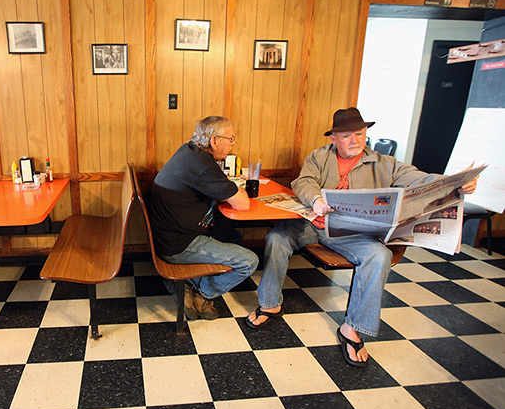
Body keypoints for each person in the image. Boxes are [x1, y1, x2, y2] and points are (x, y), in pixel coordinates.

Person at [246, 107, 478, 367]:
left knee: (380, 256)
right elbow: (303, 182)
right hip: (314, 223)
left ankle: (352, 328)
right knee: (276, 239)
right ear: (333, 138)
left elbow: (419, 179)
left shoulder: (384, 163)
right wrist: (316, 200)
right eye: (346, 136)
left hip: (351, 233)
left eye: (360, 134)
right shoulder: (319, 156)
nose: (355, 140)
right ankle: (270, 303)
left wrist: (453, 182)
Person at [148, 116, 259, 320]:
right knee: (250, 261)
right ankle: (202, 290)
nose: (233, 144)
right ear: (214, 141)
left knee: (232, 236)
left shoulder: (190, 151)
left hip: (171, 234)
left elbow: (219, 184)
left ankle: (190, 284)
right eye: (231, 138)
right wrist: (233, 189)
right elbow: (243, 204)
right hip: (178, 245)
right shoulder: (203, 165)